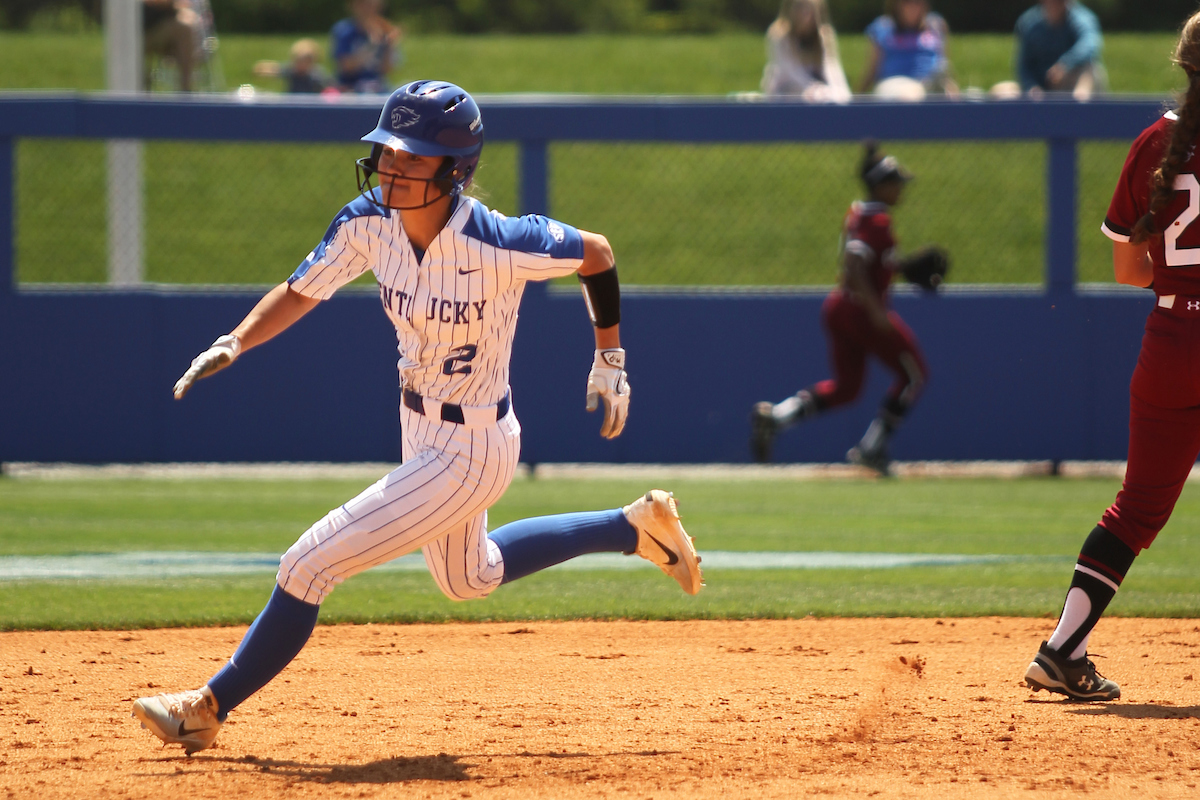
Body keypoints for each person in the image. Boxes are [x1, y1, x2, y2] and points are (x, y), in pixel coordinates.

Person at [129, 80, 704, 755]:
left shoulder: (500, 240)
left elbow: (598, 254)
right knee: (470, 577)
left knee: (306, 566)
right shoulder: (366, 221)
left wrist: (611, 358)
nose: (392, 168)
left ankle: (206, 706)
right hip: (419, 429)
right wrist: (235, 339)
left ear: (454, 169)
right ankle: (632, 528)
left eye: (412, 157)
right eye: (388, 153)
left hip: (475, 446)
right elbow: (300, 291)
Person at [1023, 11, 1200, 702]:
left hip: (1168, 340)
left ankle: (1063, 648)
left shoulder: (1155, 142)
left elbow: (1129, 269)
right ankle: (1062, 650)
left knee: (1134, 511)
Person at [750, 143, 930, 475]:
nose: (901, 188)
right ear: (881, 185)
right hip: (861, 313)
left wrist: (901, 268)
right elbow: (855, 262)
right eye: (896, 182)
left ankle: (778, 417)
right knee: (914, 373)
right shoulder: (876, 219)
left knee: (848, 388)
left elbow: (869, 261)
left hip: (840, 308)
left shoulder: (862, 213)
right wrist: (876, 310)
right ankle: (873, 448)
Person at [859, 0, 956, 100]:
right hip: (894, 84)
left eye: (918, 2)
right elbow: (872, 70)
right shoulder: (882, 27)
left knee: (940, 81)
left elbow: (944, 64)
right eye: (907, 2)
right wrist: (858, 98)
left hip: (929, 83)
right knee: (908, 95)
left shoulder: (937, 26)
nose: (913, 6)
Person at [761, 0, 851, 103]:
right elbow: (789, 71)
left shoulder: (825, 36)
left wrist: (842, 94)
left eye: (809, 9)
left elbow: (832, 70)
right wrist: (812, 89)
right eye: (799, 7)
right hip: (786, 95)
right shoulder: (779, 35)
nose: (804, 13)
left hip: (818, 96)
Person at [1015, 0, 1106, 100]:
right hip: (1041, 88)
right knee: (1002, 91)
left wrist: (1064, 65)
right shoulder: (1028, 23)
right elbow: (1024, 65)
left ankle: (1079, 110)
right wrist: (1031, 86)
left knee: (1089, 69)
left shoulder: (1083, 18)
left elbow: (1089, 45)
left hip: (1070, 84)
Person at [331, 0, 402, 94]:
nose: (369, 9)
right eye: (364, 5)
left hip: (378, 86)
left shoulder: (385, 29)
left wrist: (390, 45)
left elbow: (387, 68)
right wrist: (371, 45)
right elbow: (345, 66)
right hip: (350, 86)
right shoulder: (344, 30)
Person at [143, 0, 203, 92]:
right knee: (184, 31)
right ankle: (140, 93)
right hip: (142, 30)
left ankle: (185, 92)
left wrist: (183, 10)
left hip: (162, 26)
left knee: (185, 29)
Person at [253, 38, 334, 94]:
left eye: (304, 61)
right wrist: (263, 69)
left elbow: (330, 86)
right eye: (297, 60)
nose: (300, 64)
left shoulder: (317, 75)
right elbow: (274, 70)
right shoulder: (291, 70)